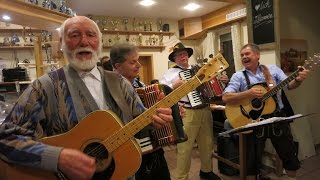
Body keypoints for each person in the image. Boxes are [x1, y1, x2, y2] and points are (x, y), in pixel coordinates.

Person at [0, 16, 173, 180]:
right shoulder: (44, 87)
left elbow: (139, 122)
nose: (84, 41)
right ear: (62, 43)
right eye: (74, 35)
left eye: (91, 35)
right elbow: (6, 138)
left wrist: (156, 119)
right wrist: (58, 157)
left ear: (99, 42)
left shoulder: (120, 82)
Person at [222, 43, 309, 180]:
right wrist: (248, 93)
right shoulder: (238, 76)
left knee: (289, 155)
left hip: (277, 119)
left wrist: (298, 80)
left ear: (257, 55)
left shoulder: (273, 70)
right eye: (242, 55)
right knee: (251, 161)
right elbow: (226, 97)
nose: (244, 57)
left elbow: (290, 86)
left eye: (247, 54)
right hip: (254, 122)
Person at [110, 43, 171, 180]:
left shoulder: (141, 85)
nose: (139, 65)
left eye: (138, 60)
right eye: (132, 62)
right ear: (117, 66)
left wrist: (167, 112)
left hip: (154, 151)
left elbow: (152, 114)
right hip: (127, 155)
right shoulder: (108, 91)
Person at [160, 42, 221, 180]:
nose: (183, 56)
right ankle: (182, 177)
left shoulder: (199, 69)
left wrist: (219, 80)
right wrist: (173, 85)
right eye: (179, 54)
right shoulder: (170, 73)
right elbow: (162, 94)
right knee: (185, 148)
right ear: (174, 58)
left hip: (205, 109)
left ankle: (206, 171)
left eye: (185, 54)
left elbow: (211, 85)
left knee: (207, 143)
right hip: (186, 111)